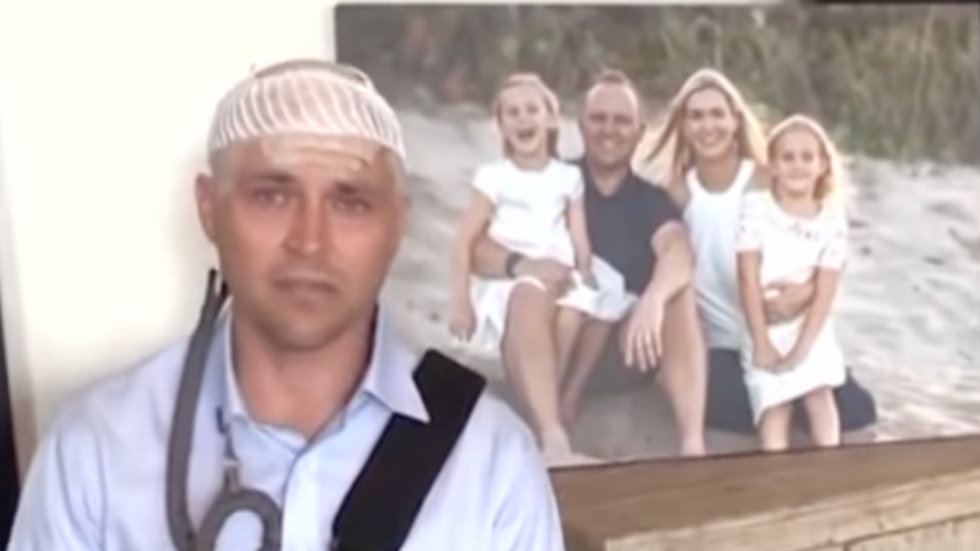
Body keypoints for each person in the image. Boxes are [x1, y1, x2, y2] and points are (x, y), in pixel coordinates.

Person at [6, 59, 565, 551]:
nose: (310, 241)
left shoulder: (492, 463)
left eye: (350, 202)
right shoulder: (96, 451)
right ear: (209, 208)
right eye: (271, 196)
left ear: (398, 223)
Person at [472, 70, 708, 458]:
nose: (609, 129)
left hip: (620, 350)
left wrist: (653, 299)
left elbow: (678, 250)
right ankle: (551, 436)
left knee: (678, 295)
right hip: (545, 342)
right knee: (526, 293)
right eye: (599, 118)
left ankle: (692, 445)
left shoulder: (649, 200)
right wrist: (522, 263)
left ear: (639, 132)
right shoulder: (551, 180)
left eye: (621, 121)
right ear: (580, 125)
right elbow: (479, 250)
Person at [638, 67, 877, 439]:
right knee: (722, 400)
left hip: (786, 329)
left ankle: (793, 400)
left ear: (735, 120)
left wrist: (807, 292)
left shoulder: (766, 179)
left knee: (859, 410)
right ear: (684, 126)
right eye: (696, 116)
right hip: (723, 346)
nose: (708, 126)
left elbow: (822, 240)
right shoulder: (677, 195)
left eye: (717, 114)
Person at [450, 73, 634, 461]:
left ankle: (550, 402)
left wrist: (584, 267)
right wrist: (461, 301)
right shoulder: (494, 177)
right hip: (511, 278)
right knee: (529, 294)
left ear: (551, 119)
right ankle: (551, 432)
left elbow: (577, 230)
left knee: (581, 307)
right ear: (500, 126)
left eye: (532, 109)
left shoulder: (567, 177)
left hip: (561, 268)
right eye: (512, 113)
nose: (523, 118)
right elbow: (464, 239)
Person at [736, 114, 850, 451]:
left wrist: (803, 348)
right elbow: (746, 277)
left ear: (822, 165)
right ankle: (777, 466)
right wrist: (761, 341)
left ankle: (829, 461)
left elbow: (826, 291)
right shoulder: (755, 208)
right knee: (775, 404)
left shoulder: (832, 221)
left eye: (807, 157)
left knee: (819, 393)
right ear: (772, 166)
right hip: (764, 324)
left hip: (811, 326)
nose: (797, 165)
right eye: (787, 157)